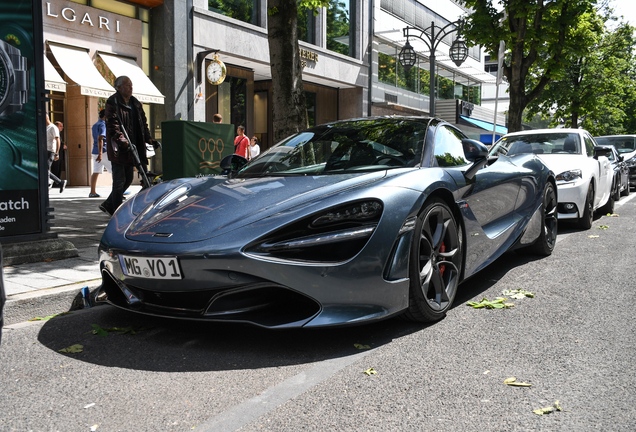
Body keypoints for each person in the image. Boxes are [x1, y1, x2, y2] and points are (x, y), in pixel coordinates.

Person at [100, 76, 153, 216]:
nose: (131, 87)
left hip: (134, 148)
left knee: (128, 179)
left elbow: (143, 123)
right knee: (119, 182)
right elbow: (113, 125)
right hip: (120, 149)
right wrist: (122, 141)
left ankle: (109, 204)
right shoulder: (113, 102)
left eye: (131, 85)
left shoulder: (135, 103)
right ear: (119, 87)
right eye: (128, 85)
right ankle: (117, 212)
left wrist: (148, 138)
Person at [89, 109, 111, 198]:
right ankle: (118, 190)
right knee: (115, 170)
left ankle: (92, 192)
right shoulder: (103, 125)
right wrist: (101, 154)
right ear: (105, 116)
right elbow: (100, 138)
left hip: (95, 151)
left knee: (95, 171)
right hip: (103, 151)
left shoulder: (95, 125)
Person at [45, 114, 66, 193]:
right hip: (44, 151)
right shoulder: (45, 128)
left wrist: (57, 153)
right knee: (44, 169)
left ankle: (48, 183)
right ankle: (60, 182)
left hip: (50, 151)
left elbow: (58, 140)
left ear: (46, 118)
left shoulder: (53, 127)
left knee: (45, 169)